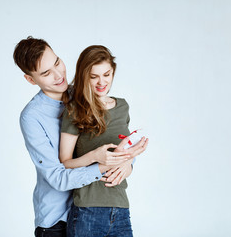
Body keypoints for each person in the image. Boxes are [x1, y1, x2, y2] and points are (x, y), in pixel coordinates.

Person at [13, 37, 147, 237]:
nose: (59, 75)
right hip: (57, 220)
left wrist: (128, 163)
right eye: (46, 73)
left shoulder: (85, 95)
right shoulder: (32, 117)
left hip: (98, 210)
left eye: (57, 62)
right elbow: (57, 177)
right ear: (31, 80)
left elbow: (114, 137)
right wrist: (99, 161)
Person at [60, 45, 149, 237]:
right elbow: (65, 164)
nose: (102, 82)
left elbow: (123, 151)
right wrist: (94, 156)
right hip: (87, 212)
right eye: (94, 77)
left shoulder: (122, 106)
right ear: (84, 77)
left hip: (121, 208)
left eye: (107, 74)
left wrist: (129, 164)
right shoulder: (75, 109)